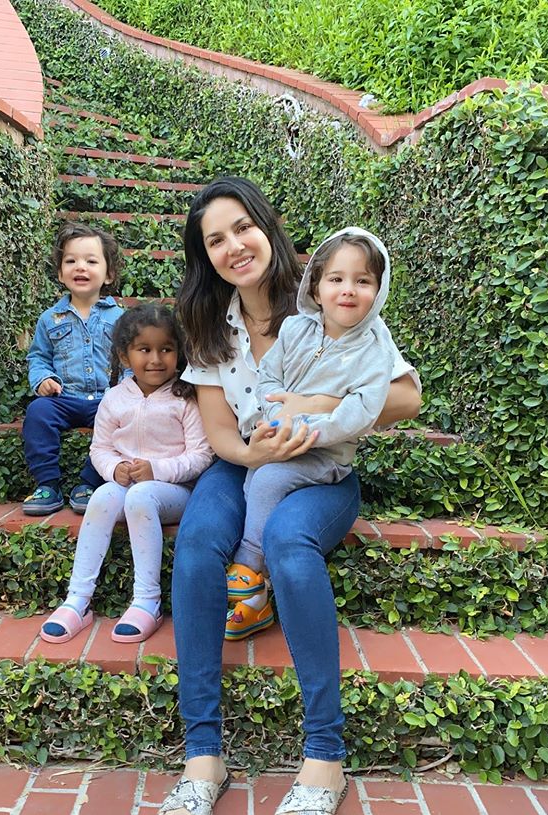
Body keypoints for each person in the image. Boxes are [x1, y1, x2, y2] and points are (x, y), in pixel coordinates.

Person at [158, 178, 421, 815]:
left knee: (288, 543)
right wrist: (257, 457)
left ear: (266, 226)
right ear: (205, 255)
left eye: (242, 227)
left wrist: (318, 409)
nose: (234, 246)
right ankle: (202, 758)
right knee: (195, 546)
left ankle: (324, 760)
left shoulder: (330, 289)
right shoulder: (206, 322)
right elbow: (221, 431)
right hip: (246, 460)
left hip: (320, 467)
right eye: (214, 240)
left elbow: (407, 397)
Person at [224, 227, 394, 641]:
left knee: (267, 478)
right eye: (336, 279)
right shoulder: (296, 329)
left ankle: (248, 565)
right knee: (254, 479)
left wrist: (307, 427)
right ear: (316, 288)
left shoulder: (374, 349)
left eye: (363, 281)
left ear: (379, 290)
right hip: (280, 434)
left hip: (324, 455)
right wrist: (276, 411)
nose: (348, 290)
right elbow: (269, 377)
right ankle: (256, 603)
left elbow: (360, 412)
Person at [40, 303, 213, 644]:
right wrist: (114, 469)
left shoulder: (186, 398)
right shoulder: (115, 398)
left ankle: (147, 601)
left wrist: (157, 470)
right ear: (124, 355)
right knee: (103, 495)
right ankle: (78, 599)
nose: (155, 359)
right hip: (127, 484)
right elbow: (100, 449)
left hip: (175, 491)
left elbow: (201, 455)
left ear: (179, 353)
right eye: (144, 350)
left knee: (140, 495)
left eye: (166, 349)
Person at [21, 221, 123, 516]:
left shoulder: (120, 319)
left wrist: (127, 391)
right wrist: (44, 379)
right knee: (38, 413)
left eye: (91, 261)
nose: (81, 267)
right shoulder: (50, 319)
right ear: (60, 272)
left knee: (122, 422)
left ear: (109, 273)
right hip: (62, 398)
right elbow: (38, 357)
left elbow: (131, 359)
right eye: (71, 260)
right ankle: (47, 485)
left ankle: (89, 483)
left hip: (106, 399)